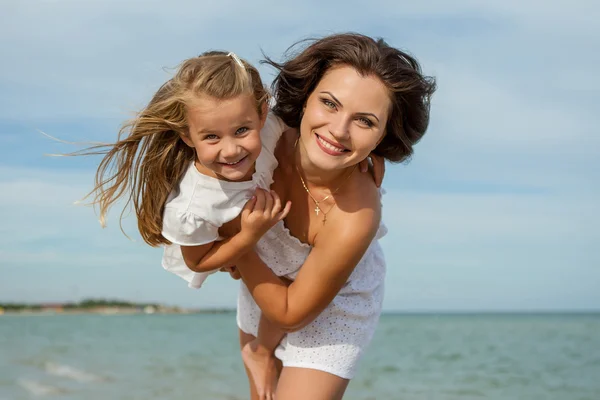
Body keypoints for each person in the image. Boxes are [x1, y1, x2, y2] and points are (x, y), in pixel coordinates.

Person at [229, 33, 436, 400]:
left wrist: (238, 241)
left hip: (337, 298)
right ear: (306, 97)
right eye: (329, 103)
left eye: (365, 121)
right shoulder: (259, 137)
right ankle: (261, 351)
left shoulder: (358, 214)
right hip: (269, 268)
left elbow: (292, 314)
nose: (338, 131)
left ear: (383, 136)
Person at [76, 51, 292, 398]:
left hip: (266, 229)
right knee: (283, 296)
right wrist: (249, 236)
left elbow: (314, 130)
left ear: (261, 113)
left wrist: (369, 158)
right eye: (211, 137)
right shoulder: (191, 206)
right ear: (187, 136)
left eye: (241, 130)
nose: (231, 149)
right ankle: (259, 351)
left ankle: (261, 351)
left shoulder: (269, 127)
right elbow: (200, 261)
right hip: (218, 247)